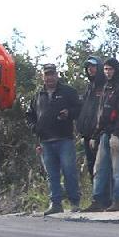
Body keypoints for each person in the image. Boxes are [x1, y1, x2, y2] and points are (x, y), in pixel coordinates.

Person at [26, 63, 82, 215]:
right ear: (42, 76)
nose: (49, 77)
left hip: (64, 138)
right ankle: (55, 203)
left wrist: (68, 113)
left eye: (52, 74)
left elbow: (79, 108)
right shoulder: (37, 95)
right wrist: (34, 128)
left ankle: (74, 202)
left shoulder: (68, 92)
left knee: (69, 171)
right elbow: (29, 115)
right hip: (45, 141)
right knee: (52, 174)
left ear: (57, 75)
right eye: (47, 74)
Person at [86, 57, 119, 212]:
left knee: (118, 170)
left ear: (116, 70)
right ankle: (97, 201)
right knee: (99, 168)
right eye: (105, 69)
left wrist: (117, 134)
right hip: (104, 134)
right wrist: (95, 135)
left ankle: (118, 201)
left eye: (110, 69)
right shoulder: (105, 88)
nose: (108, 72)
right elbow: (101, 114)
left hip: (118, 135)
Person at [75, 56, 104, 179]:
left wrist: (96, 133)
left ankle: (106, 196)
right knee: (91, 165)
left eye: (93, 66)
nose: (90, 69)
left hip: (100, 134)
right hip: (87, 135)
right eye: (88, 67)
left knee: (102, 165)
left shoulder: (105, 85)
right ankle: (96, 196)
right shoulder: (89, 87)